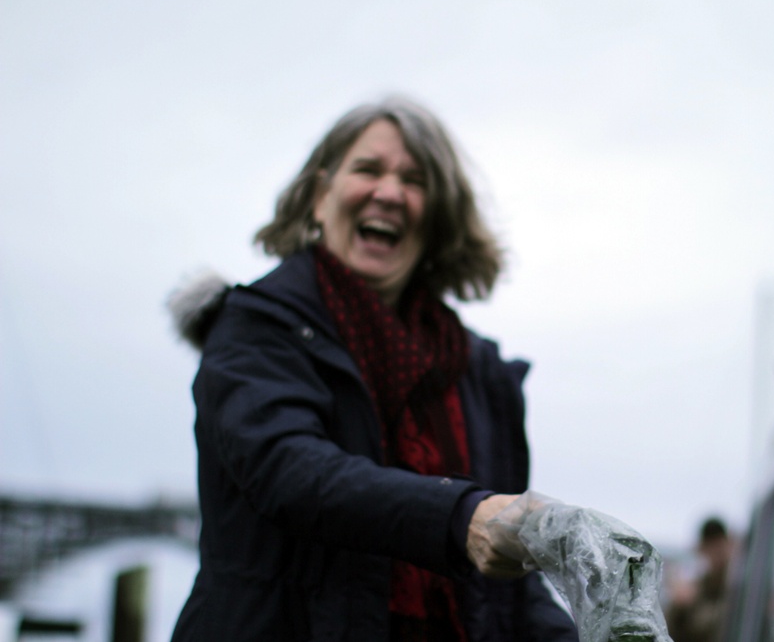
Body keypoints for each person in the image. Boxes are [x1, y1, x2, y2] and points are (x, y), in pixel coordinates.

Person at [168, 97, 578, 641]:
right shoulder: (255, 327)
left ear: (438, 219)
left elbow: (508, 586)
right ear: (319, 197)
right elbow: (292, 472)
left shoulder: (478, 373)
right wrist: (461, 518)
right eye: (367, 169)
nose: (388, 192)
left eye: (414, 180)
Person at [665, 517, 733, 642]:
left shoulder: (739, 585)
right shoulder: (699, 587)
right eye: (710, 546)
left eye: (719, 546)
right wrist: (679, 607)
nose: (715, 553)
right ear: (702, 549)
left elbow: (716, 624)